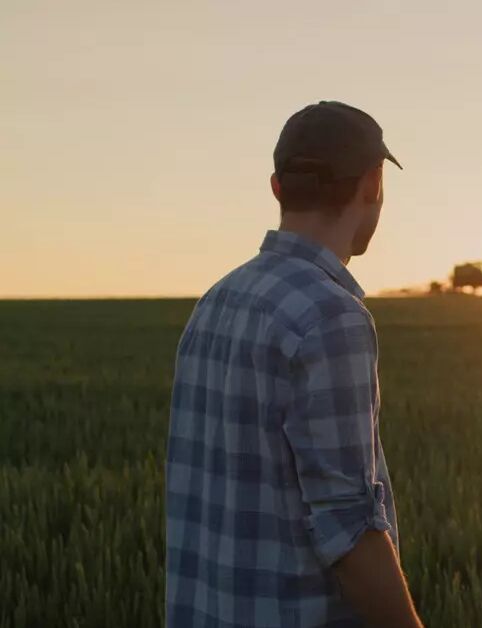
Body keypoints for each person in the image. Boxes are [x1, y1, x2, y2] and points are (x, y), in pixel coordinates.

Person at [165, 101, 423, 628]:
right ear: (373, 184)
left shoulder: (216, 300)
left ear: (277, 188)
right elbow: (350, 530)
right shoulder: (331, 316)